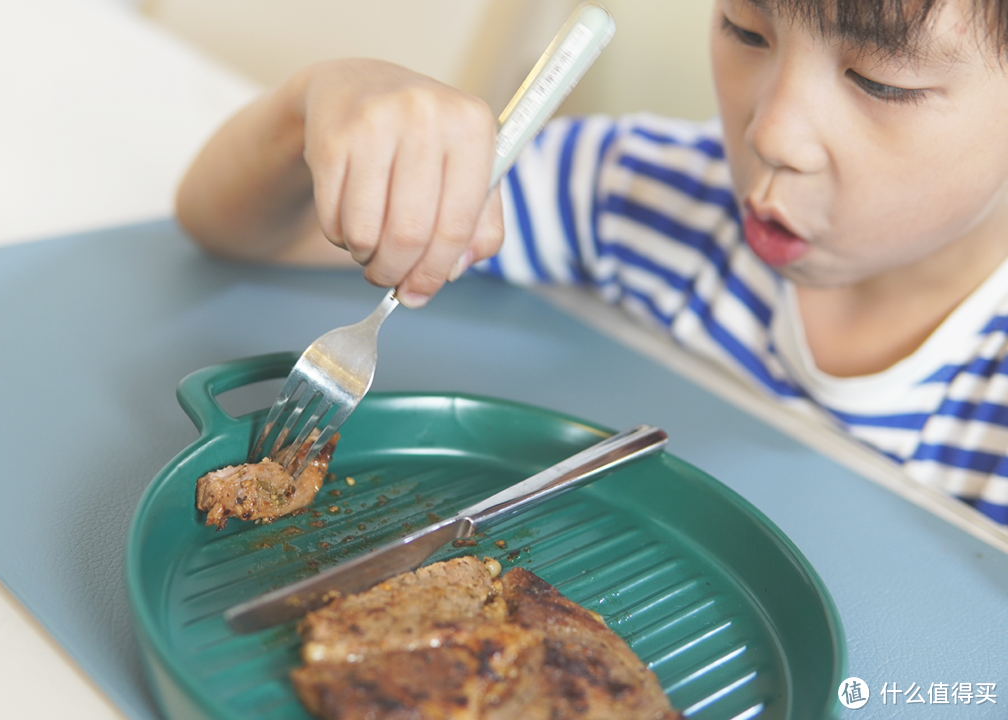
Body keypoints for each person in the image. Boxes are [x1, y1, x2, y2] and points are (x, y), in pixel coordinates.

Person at [175, 0, 1008, 526]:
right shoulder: (641, 193)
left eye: (881, 82)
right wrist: (314, 104)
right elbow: (232, 229)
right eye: (745, 29)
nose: (770, 133)